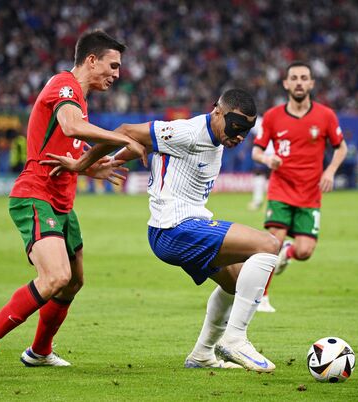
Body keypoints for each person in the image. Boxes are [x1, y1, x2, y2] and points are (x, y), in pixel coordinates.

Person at [42, 89, 281, 372]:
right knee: (269, 244)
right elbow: (126, 130)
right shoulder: (189, 132)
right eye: (236, 127)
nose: (240, 136)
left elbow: (144, 142)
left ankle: (202, 354)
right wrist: (85, 163)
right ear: (217, 112)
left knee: (235, 283)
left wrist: (115, 160)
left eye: (246, 130)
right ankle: (235, 339)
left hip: (184, 227)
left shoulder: (210, 137)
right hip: (175, 228)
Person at [0, 30, 146, 382]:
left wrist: (95, 167)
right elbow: (71, 126)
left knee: (73, 281)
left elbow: (66, 153)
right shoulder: (63, 85)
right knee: (56, 276)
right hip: (34, 194)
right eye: (113, 65)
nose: (117, 74)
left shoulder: (80, 98)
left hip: (62, 202)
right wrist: (123, 137)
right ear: (91, 60)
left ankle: (39, 352)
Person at [251, 61, 347, 313]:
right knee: (273, 242)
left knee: (305, 251)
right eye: (294, 78)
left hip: (310, 194)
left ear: (311, 83)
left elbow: (341, 147)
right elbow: (256, 151)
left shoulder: (325, 115)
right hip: (281, 190)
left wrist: (330, 170)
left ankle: (289, 254)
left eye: (304, 78)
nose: (299, 82)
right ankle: (262, 297)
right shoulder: (272, 116)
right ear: (286, 83)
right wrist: (267, 159)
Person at [247, 117, 274, 211]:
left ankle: (260, 201)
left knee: (261, 176)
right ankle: (269, 203)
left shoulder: (257, 122)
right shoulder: (275, 120)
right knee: (267, 178)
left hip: (262, 152)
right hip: (271, 154)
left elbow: (252, 135)